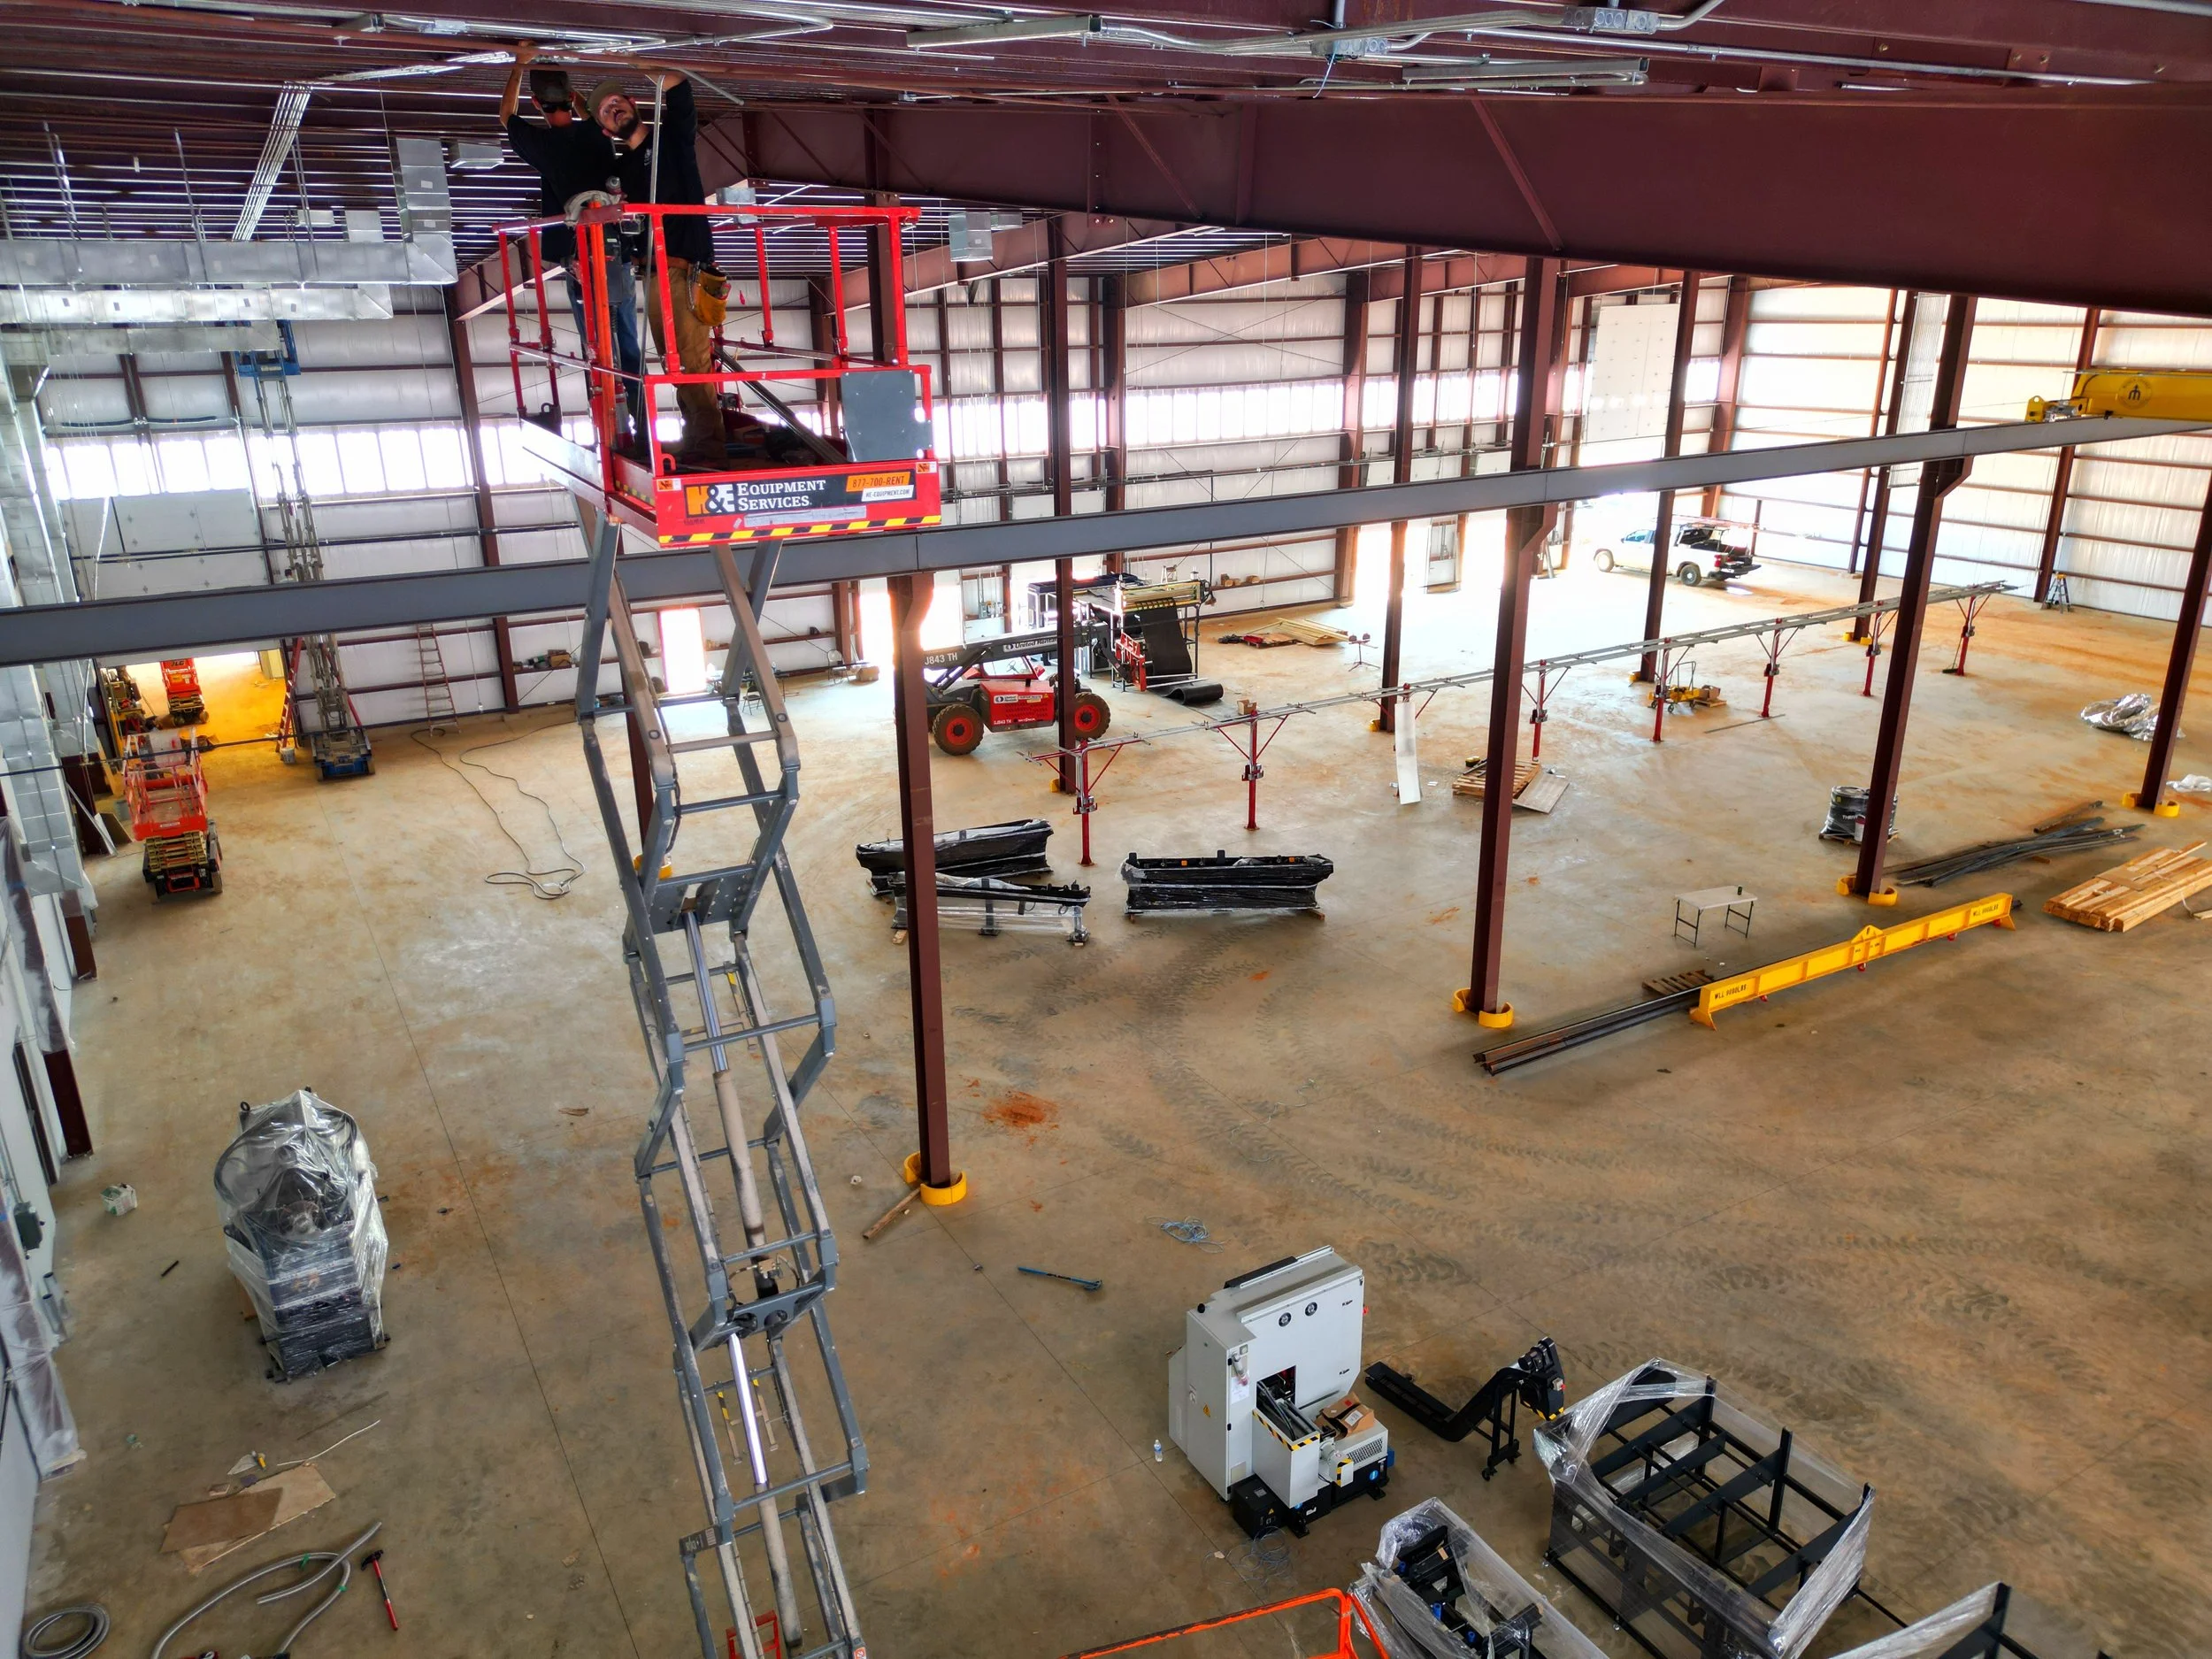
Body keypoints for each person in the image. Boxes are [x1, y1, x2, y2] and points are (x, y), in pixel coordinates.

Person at [499, 46, 645, 448]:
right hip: (617, 253)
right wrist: (575, 95)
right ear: (572, 99)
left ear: (536, 103)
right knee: (629, 344)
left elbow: (505, 116)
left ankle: (611, 427)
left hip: (578, 261)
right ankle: (641, 426)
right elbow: (588, 116)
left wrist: (519, 65)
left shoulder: (543, 147)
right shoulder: (596, 138)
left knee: (596, 347)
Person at [589, 65, 725, 471]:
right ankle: (699, 439)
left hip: (685, 267)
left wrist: (627, 61)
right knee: (674, 361)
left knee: (692, 358)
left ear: (633, 103)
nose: (614, 112)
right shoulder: (624, 169)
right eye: (605, 113)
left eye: (617, 103)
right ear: (606, 128)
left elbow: (679, 87)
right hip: (652, 271)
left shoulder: (671, 142)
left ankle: (710, 447)